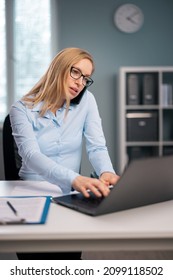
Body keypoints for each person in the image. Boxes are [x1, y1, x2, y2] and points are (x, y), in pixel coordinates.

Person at [10, 47, 120, 259]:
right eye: (75, 72)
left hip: (69, 195)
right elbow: (31, 156)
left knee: (69, 261)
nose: (80, 83)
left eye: (86, 78)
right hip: (33, 192)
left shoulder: (87, 101)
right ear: (58, 69)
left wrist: (106, 171)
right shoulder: (21, 109)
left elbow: (96, 146)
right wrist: (75, 179)